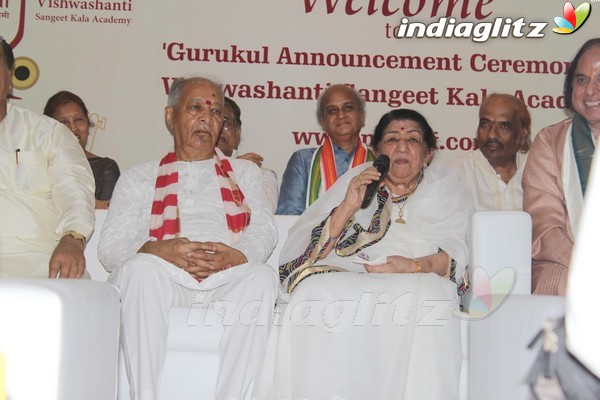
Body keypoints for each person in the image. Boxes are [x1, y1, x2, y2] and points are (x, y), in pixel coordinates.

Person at [253, 109, 474, 400]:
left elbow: (459, 251)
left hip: (417, 276)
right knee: (314, 291)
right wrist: (349, 204)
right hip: (352, 271)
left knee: (430, 298)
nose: (402, 147)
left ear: (429, 153)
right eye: (392, 139)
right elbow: (309, 251)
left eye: (413, 140)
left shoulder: (449, 189)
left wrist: (415, 266)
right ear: (377, 151)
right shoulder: (358, 179)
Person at [98, 76, 279, 400]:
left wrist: (235, 256)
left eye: (215, 112)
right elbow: (110, 250)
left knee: (261, 277)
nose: (207, 119)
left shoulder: (245, 173)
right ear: (171, 117)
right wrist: (157, 250)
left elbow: (264, 229)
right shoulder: (139, 176)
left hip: (226, 276)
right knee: (140, 270)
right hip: (162, 275)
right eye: (196, 108)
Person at [0, 35, 95, 279]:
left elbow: (74, 191)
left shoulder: (47, 132)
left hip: (39, 258)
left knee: (73, 287)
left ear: (9, 76)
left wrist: (72, 240)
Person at [523, 38, 600, 296]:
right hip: (565, 264)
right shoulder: (550, 142)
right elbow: (543, 224)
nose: (590, 90)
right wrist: (587, 265)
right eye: (581, 80)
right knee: (565, 281)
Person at [276, 84, 375, 215]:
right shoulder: (303, 160)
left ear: (362, 115)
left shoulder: (379, 161)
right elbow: (289, 215)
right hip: (311, 235)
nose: (341, 115)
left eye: (348, 108)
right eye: (332, 111)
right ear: (322, 121)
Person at [450, 93, 531, 210]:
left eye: (504, 126)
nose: (492, 134)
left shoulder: (539, 172)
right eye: (485, 124)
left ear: (522, 134)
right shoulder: (458, 174)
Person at [44, 90, 120, 209]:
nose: (73, 128)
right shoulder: (38, 166)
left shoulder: (105, 168)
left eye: (78, 119)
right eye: (63, 122)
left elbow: (107, 215)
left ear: (88, 124)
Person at [218, 96, 278, 213]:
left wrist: (241, 170)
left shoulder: (262, 175)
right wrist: (233, 167)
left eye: (226, 123)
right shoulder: (187, 170)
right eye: (214, 123)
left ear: (238, 131)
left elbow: (264, 214)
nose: (220, 129)